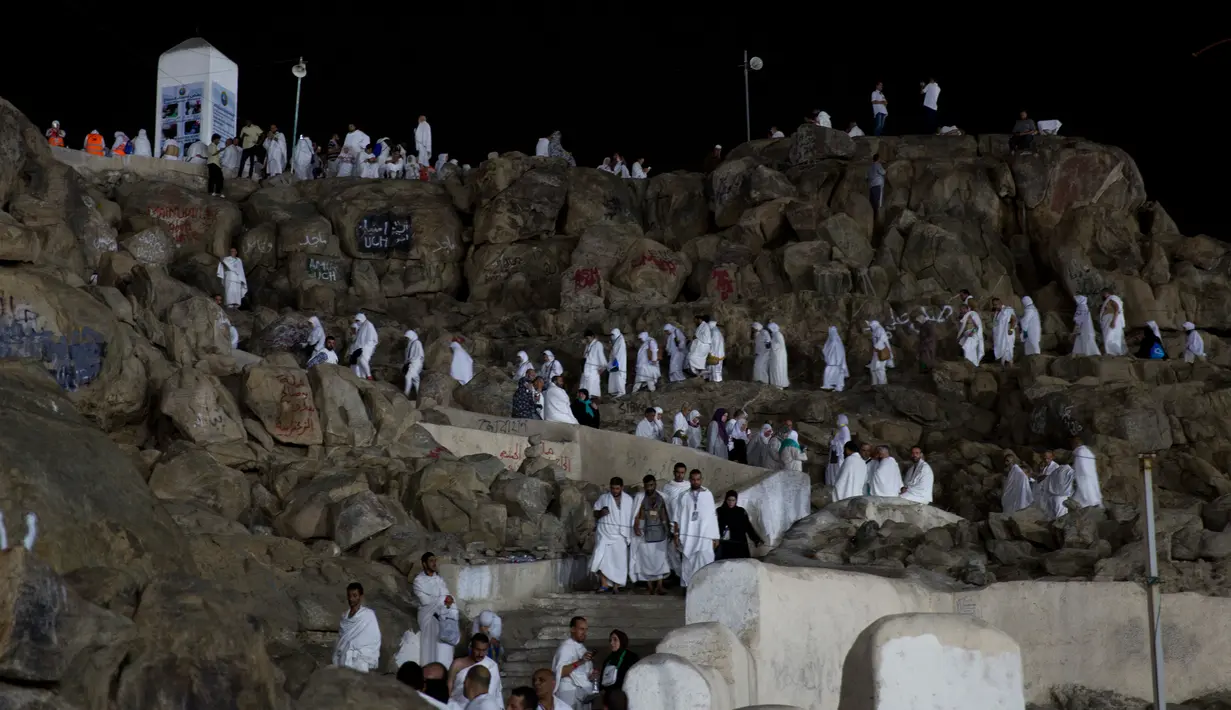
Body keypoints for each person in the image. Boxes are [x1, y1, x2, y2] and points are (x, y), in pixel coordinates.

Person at [671, 469, 719, 588]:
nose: (695, 482)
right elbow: (677, 517)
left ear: (701, 480)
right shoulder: (683, 496)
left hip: (705, 536)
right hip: (688, 536)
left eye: (698, 479)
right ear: (690, 480)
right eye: (693, 479)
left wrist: (716, 537)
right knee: (688, 561)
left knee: (705, 559)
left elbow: (713, 516)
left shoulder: (708, 495)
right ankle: (688, 587)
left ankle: (705, 587)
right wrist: (676, 535)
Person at [413, 552, 456, 667]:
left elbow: (447, 596)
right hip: (428, 616)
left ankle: (445, 667)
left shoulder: (439, 579)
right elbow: (425, 602)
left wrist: (449, 599)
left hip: (441, 614)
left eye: (434, 561)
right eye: (431, 561)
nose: (434, 563)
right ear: (424, 564)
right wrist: (443, 599)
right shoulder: (419, 581)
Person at [631, 474, 672, 594]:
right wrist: (637, 526)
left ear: (655, 485)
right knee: (646, 559)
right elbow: (637, 515)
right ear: (644, 486)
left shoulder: (661, 498)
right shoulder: (640, 498)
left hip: (660, 532)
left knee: (660, 559)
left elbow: (664, 514)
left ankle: (659, 586)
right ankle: (649, 586)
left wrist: (667, 529)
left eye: (651, 485)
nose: (649, 488)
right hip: (645, 532)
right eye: (647, 486)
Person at [591, 477, 634, 593]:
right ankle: (604, 584)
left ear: (622, 488)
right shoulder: (603, 498)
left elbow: (632, 517)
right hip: (605, 533)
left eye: (617, 488)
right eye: (612, 488)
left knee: (618, 562)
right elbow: (595, 512)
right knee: (602, 559)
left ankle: (616, 585)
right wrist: (600, 513)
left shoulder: (629, 500)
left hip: (621, 535)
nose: (614, 491)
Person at [331, 582, 381, 672]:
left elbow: (374, 638)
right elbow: (341, 639)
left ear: (361, 597)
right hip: (342, 659)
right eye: (349, 595)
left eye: (354, 595)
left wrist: (357, 649)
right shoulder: (344, 616)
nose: (351, 599)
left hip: (359, 661)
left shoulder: (368, 615)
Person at [552, 617, 595, 708]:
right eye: (581, 629)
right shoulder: (565, 647)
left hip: (582, 693)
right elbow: (561, 672)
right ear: (572, 629)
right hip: (568, 693)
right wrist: (580, 661)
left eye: (586, 629)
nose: (584, 633)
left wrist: (592, 676)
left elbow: (583, 674)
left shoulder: (582, 648)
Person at [450, 634, 502, 705]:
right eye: (478, 650)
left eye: (484, 650)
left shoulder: (491, 666)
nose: (480, 654)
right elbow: (449, 687)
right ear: (471, 648)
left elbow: (491, 692)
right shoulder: (457, 664)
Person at [716, 490, 763, 560]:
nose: (731, 502)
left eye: (733, 500)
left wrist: (756, 539)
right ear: (726, 500)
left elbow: (748, 526)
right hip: (726, 544)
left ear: (736, 500)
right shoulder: (720, 511)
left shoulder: (740, 511)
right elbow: (715, 526)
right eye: (729, 500)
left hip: (740, 543)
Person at [598, 630, 640, 695]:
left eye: (615, 640)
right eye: (610, 640)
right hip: (609, 697)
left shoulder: (631, 657)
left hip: (625, 696)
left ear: (622, 641)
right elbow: (602, 682)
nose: (611, 643)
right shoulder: (608, 660)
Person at [1070, 437, 1103, 509]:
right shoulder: (1088, 452)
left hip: (1083, 478)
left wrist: (1073, 473)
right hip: (1092, 478)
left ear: (1076, 444)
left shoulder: (1080, 451)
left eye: (1072, 444)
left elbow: (1080, 466)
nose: (1072, 447)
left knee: (1085, 496)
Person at [349, 313, 379, 380]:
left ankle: (369, 376)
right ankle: (363, 378)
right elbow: (358, 339)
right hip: (362, 347)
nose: (357, 322)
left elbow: (371, 338)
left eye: (357, 320)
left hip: (368, 347)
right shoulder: (362, 326)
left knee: (362, 360)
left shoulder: (369, 325)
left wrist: (365, 347)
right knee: (360, 363)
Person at [1100, 289, 1127, 356]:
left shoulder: (1112, 299)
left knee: (1110, 336)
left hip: (1111, 320)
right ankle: (1111, 352)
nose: (1102, 295)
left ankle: (1112, 352)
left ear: (1107, 293)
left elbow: (1117, 309)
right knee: (1109, 336)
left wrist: (1113, 321)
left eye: (1103, 293)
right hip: (1108, 320)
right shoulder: (1108, 300)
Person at [581, 331, 606, 401]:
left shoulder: (598, 344)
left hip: (593, 369)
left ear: (592, 336)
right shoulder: (588, 345)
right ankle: (586, 401)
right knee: (585, 387)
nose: (587, 339)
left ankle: (598, 402)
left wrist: (602, 367)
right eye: (586, 338)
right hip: (586, 369)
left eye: (587, 338)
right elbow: (584, 356)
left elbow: (601, 356)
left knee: (594, 387)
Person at [991, 298, 1017, 366]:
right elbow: (996, 325)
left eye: (996, 305)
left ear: (1000, 303)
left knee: (1008, 350)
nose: (994, 306)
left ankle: (1011, 366)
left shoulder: (1008, 310)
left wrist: (1011, 329)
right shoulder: (997, 313)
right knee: (1001, 351)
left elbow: (1014, 319)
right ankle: (1003, 368)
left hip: (1007, 335)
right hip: (999, 336)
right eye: (993, 305)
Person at [821, 326, 848, 391]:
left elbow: (840, 353)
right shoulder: (830, 341)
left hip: (836, 363)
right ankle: (828, 386)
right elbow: (825, 350)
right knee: (828, 373)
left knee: (837, 375)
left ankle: (838, 387)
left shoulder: (837, 343)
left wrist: (839, 362)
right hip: (831, 363)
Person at [868, 320, 893, 386]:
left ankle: (882, 384)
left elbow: (882, 339)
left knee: (880, 369)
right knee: (873, 368)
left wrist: (876, 347)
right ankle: (875, 383)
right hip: (877, 352)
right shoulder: (876, 330)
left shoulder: (880, 329)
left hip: (881, 351)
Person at [403, 330, 424, 398]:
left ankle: (406, 394)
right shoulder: (410, 343)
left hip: (416, 363)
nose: (407, 338)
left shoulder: (417, 343)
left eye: (408, 337)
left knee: (408, 377)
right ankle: (419, 396)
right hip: (411, 363)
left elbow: (421, 355)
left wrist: (420, 365)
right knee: (416, 380)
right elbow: (408, 354)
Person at [767, 322, 789, 388]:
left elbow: (780, 345)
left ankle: (779, 385)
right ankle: (775, 384)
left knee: (778, 369)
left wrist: (771, 344)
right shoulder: (774, 334)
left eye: (769, 329)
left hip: (778, 356)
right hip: (775, 355)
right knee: (775, 369)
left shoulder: (778, 334)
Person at [607, 328, 628, 397]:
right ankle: (615, 391)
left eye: (613, 335)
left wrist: (616, 362)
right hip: (614, 361)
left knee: (619, 377)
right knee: (613, 376)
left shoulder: (621, 341)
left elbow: (620, 353)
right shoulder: (616, 341)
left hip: (619, 363)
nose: (612, 336)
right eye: (611, 335)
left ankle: (621, 392)